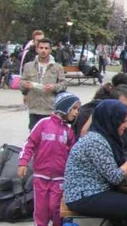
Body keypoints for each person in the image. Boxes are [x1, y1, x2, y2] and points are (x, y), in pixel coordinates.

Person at [63, 100, 127, 225]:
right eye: (123, 121)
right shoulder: (95, 141)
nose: (126, 126)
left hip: (93, 191)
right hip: (83, 196)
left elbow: (112, 167)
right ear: (111, 120)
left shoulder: (103, 136)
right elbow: (115, 177)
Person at [17, 92, 80, 226]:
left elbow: (73, 155)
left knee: (55, 207)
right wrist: (23, 162)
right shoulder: (43, 124)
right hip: (41, 176)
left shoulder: (69, 131)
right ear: (64, 107)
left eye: (78, 109)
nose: (76, 113)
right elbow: (29, 144)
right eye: (74, 108)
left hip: (59, 178)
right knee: (41, 210)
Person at [20, 38, 68, 130]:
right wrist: (24, 85)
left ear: (50, 50)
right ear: (37, 49)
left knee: (49, 139)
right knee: (34, 139)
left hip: (50, 109)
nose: (43, 50)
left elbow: (64, 84)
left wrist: (54, 87)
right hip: (34, 109)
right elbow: (21, 84)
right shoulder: (28, 66)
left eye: (46, 48)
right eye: (41, 48)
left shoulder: (57, 67)